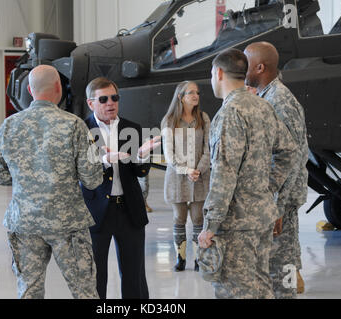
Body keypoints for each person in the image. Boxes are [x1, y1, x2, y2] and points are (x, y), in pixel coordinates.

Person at [0, 65, 102, 299]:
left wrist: (25, 179)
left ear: (30, 89)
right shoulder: (74, 125)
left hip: (25, 222)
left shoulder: (9, 125)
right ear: (59, 87)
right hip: (67, 223)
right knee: (84, 292)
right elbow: (92, 179)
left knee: (29, 290)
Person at [198, 48, 297, 299]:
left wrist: (210, 225)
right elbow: (289, 151)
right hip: (261, 217)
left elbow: (224, 174)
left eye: (212, 74)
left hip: (236, 224)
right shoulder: (262, 106)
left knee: (236, 291)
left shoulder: (230, 114)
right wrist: (268, 187)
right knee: (262, 288)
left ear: (218, 73)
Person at [81, 77, 161, 299]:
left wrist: (142, 157)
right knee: (95, 276)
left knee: (134, 275)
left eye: (114, 98)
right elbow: (76, 171)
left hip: (129, 210)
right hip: (95, 212)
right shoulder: (81, 130)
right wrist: (105, 160)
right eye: (104, 99)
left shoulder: (131, 128)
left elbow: (139, 172)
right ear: (91, 103)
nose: (110, 103)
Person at [244, 41, 309, 299]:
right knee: (276, 268)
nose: (242, 68)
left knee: (284, 270)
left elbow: (291, 157)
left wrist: (277, 206)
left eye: (246, 63)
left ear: (260, 67)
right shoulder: (266, 97)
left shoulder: (279, 100)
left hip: (281, 204)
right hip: (274, 202)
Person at [161, 81, 211, 272]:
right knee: (178, 218)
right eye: (191, 93)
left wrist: (199, 169)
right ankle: (180, 259)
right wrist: (186, 170)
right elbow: (169, 153)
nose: (195, 96)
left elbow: (208, 147)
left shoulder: (203, 118)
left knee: (199, 219)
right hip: (177, 178)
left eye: (197, 92)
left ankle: (199, 259)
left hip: (200, 177)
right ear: (180, 96)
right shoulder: (169, 120)